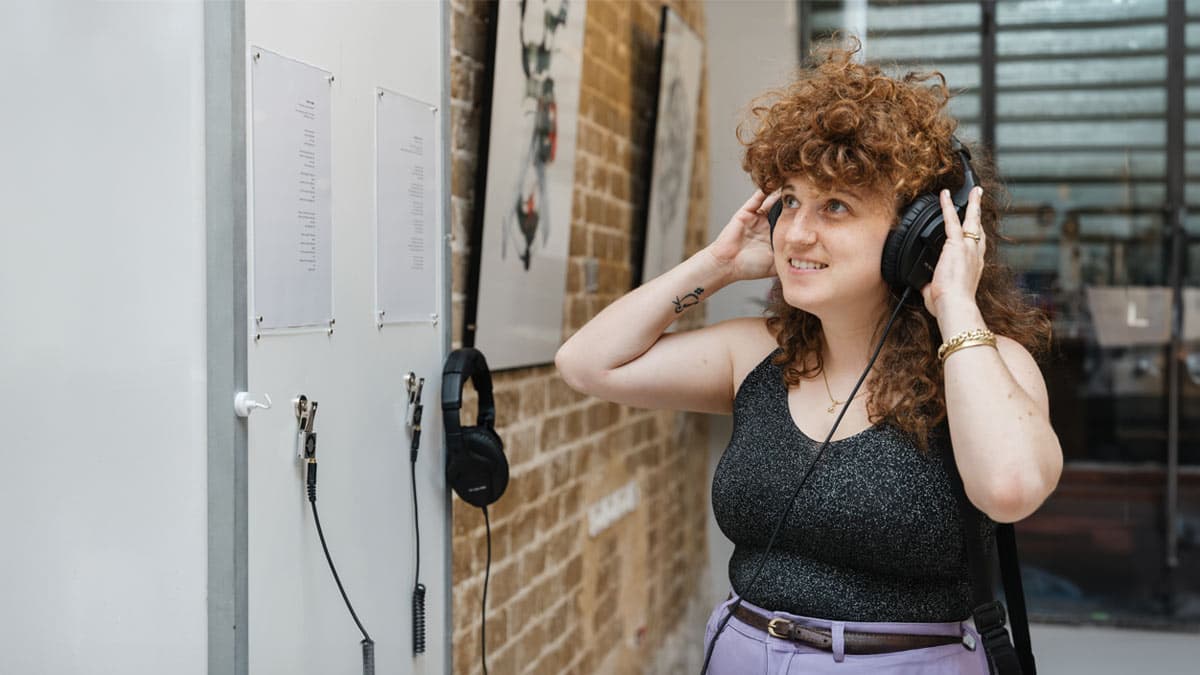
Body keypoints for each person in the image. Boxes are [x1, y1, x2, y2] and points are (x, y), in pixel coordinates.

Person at [554, 43, 1062, 674]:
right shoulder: (755, 353)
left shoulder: (984, 361)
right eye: (790, 200)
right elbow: (586, 364)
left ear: (920, 233)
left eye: (836, 206)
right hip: (741, 653)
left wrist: (953, 300)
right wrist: (716, 266)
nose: (795, 232)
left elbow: (1010, 489)